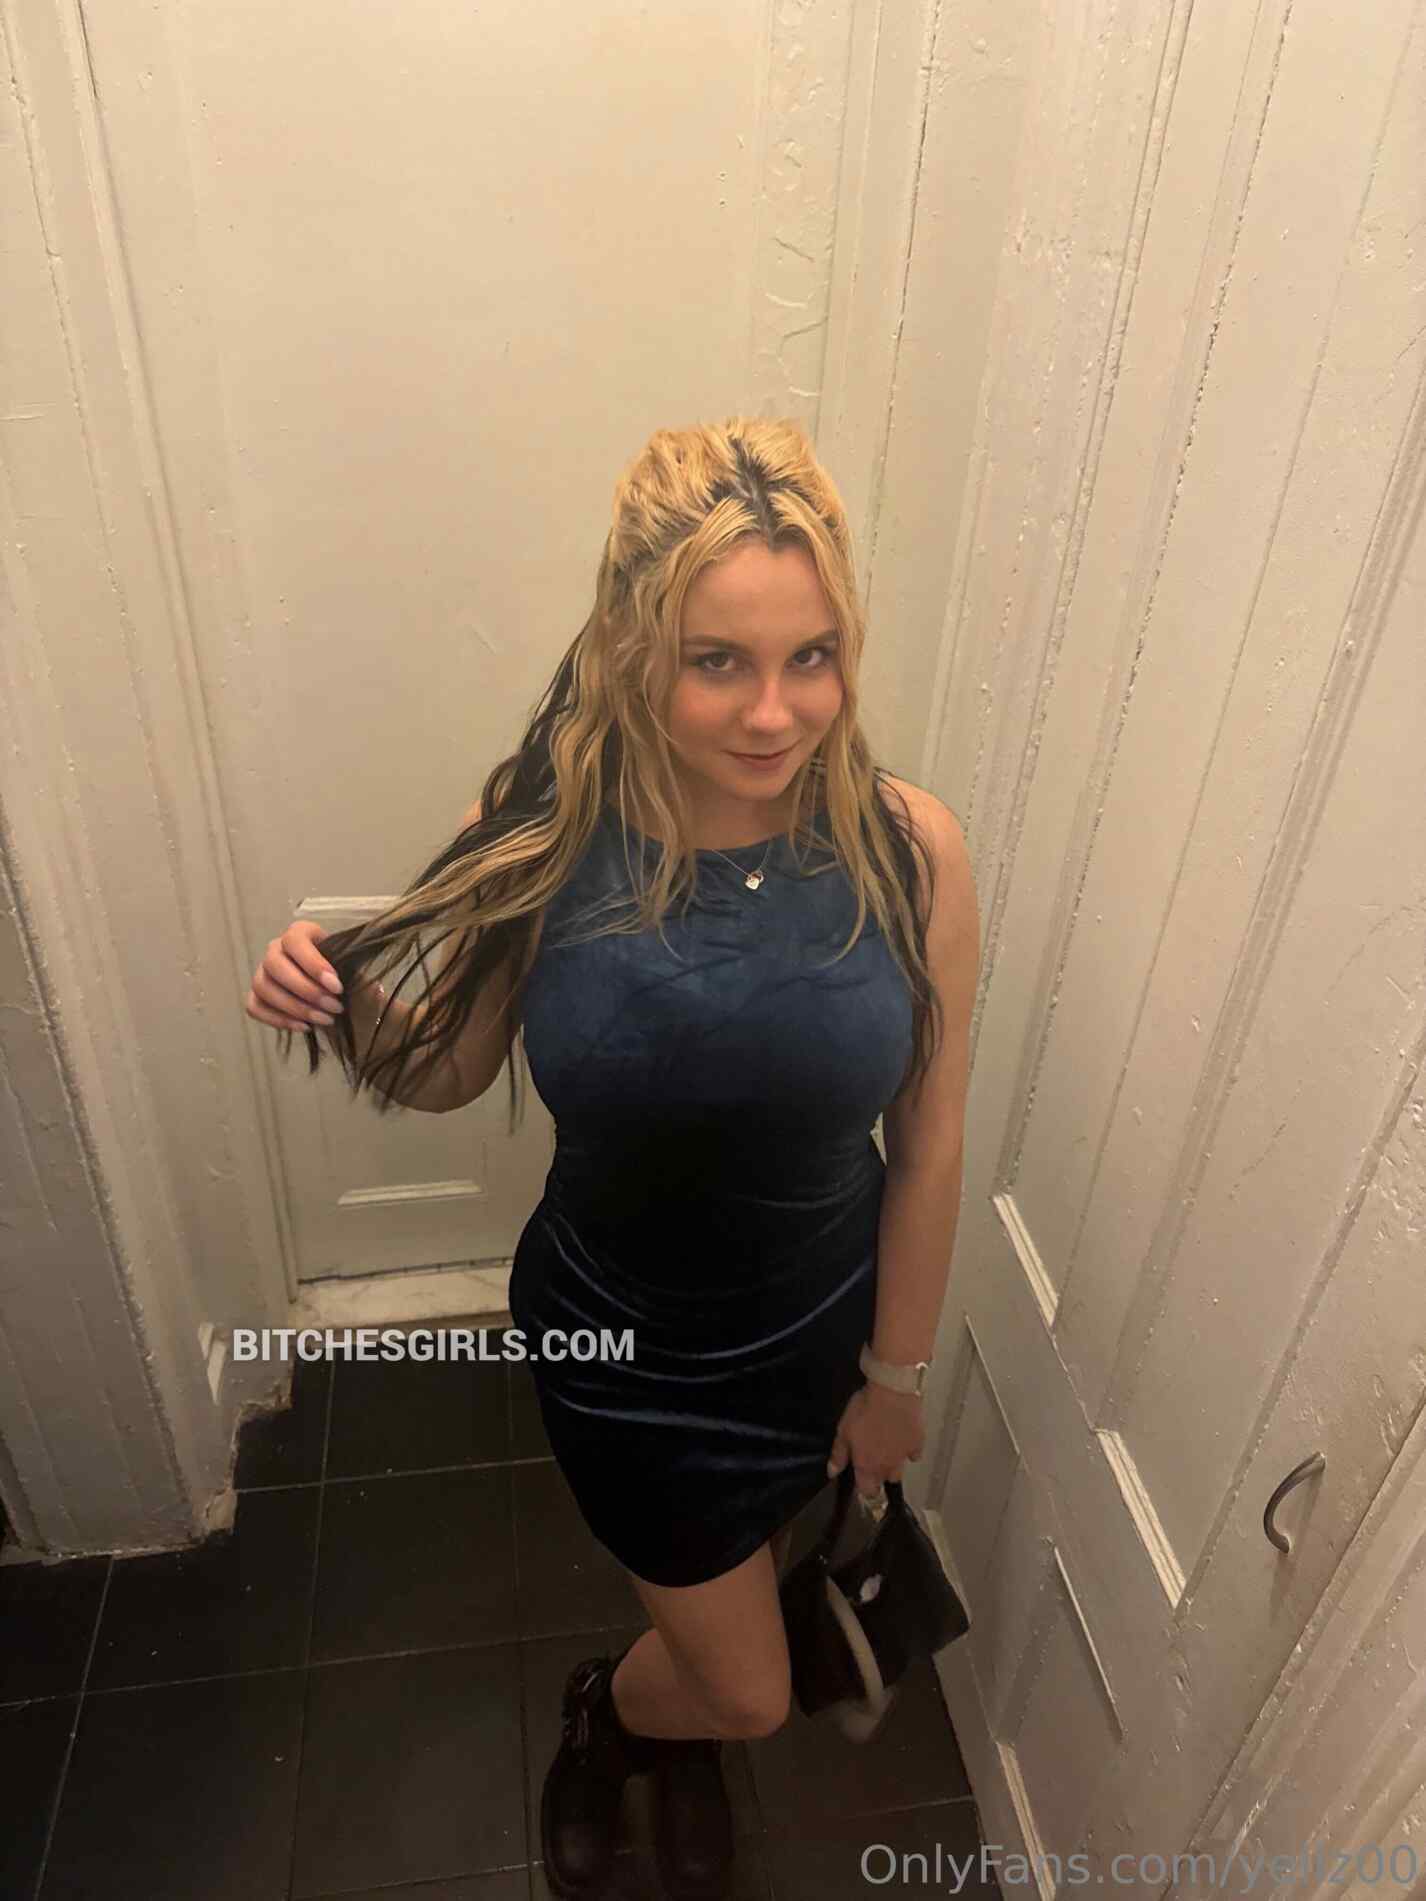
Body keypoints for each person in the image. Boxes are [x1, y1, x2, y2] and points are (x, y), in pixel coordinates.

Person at [245, 416, 978, 1901]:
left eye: (812, 656)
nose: (773, 711)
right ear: (639, 645)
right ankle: (618, 1717)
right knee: (754, 1690)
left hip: (818, 1329)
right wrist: (335, 998)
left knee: (740, 1613)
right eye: (719, 661)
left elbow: (929, 1140)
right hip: (625, 1356)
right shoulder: (541, 833)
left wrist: (894, 1377)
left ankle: (668, 1714)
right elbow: (447, 1071)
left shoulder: (912, 852)